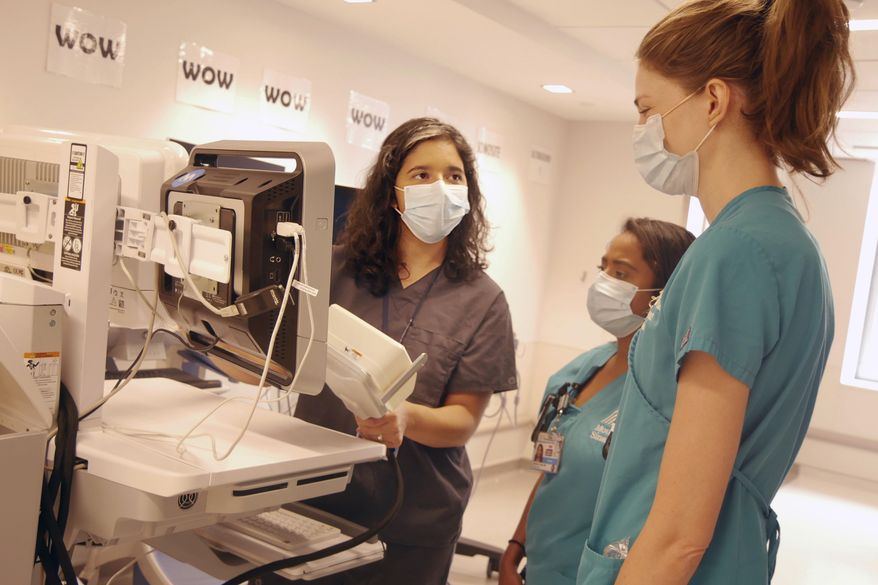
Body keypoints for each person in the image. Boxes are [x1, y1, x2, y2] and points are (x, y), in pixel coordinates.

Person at [576, 1, 854, 584]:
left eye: (649, 110)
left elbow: (678, 536)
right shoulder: (782, 242)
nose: (643, 131)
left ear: (712, 100)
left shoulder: (736, 253)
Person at [291, 118, 518, 585]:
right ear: (391, 192)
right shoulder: (332, 268)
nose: (441, 186)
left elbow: (463, 421)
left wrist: (407, 419)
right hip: (312, 499)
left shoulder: (483, 299)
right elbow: (279, 358)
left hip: (413, 519)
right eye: (421, 174)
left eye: (454, 176)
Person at [499, 219, 694, 585]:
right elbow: (550, 472)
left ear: (665, 290)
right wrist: (516, 546)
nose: (603, 281)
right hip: (540, 566)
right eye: (603, 267)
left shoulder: (672, 394)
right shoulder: (574, 374)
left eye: (620, 272)